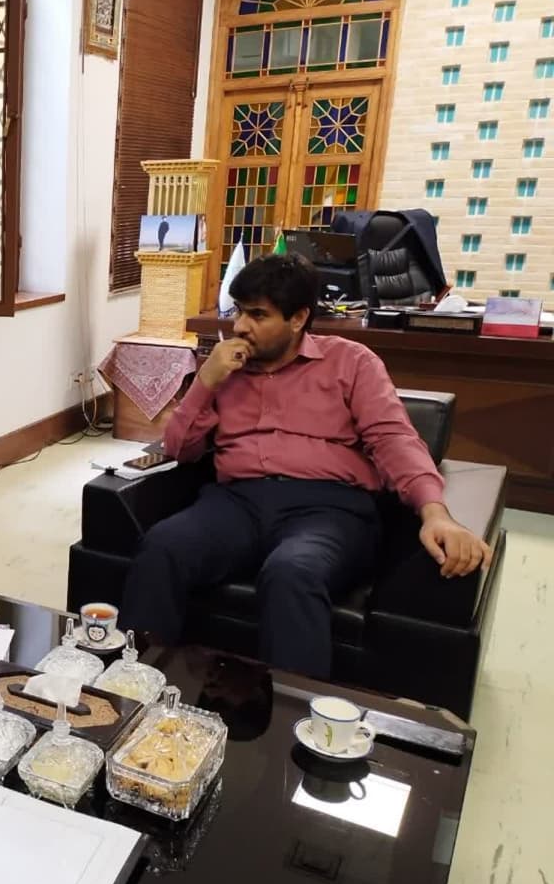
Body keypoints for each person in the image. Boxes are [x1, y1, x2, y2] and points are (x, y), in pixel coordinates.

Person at [119, 254, 491, 677]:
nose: (241, 326)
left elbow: (394, 439)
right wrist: (205, 383)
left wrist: (435, 513)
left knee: (292, 572)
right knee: (163, 547)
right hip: (237, 502)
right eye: (239, 311)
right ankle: (130, 689)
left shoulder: (351, 362)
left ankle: (291, 712)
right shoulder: (225, 369)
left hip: (329, 509)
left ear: (298, 318)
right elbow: (179, 449)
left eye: (258, 315)